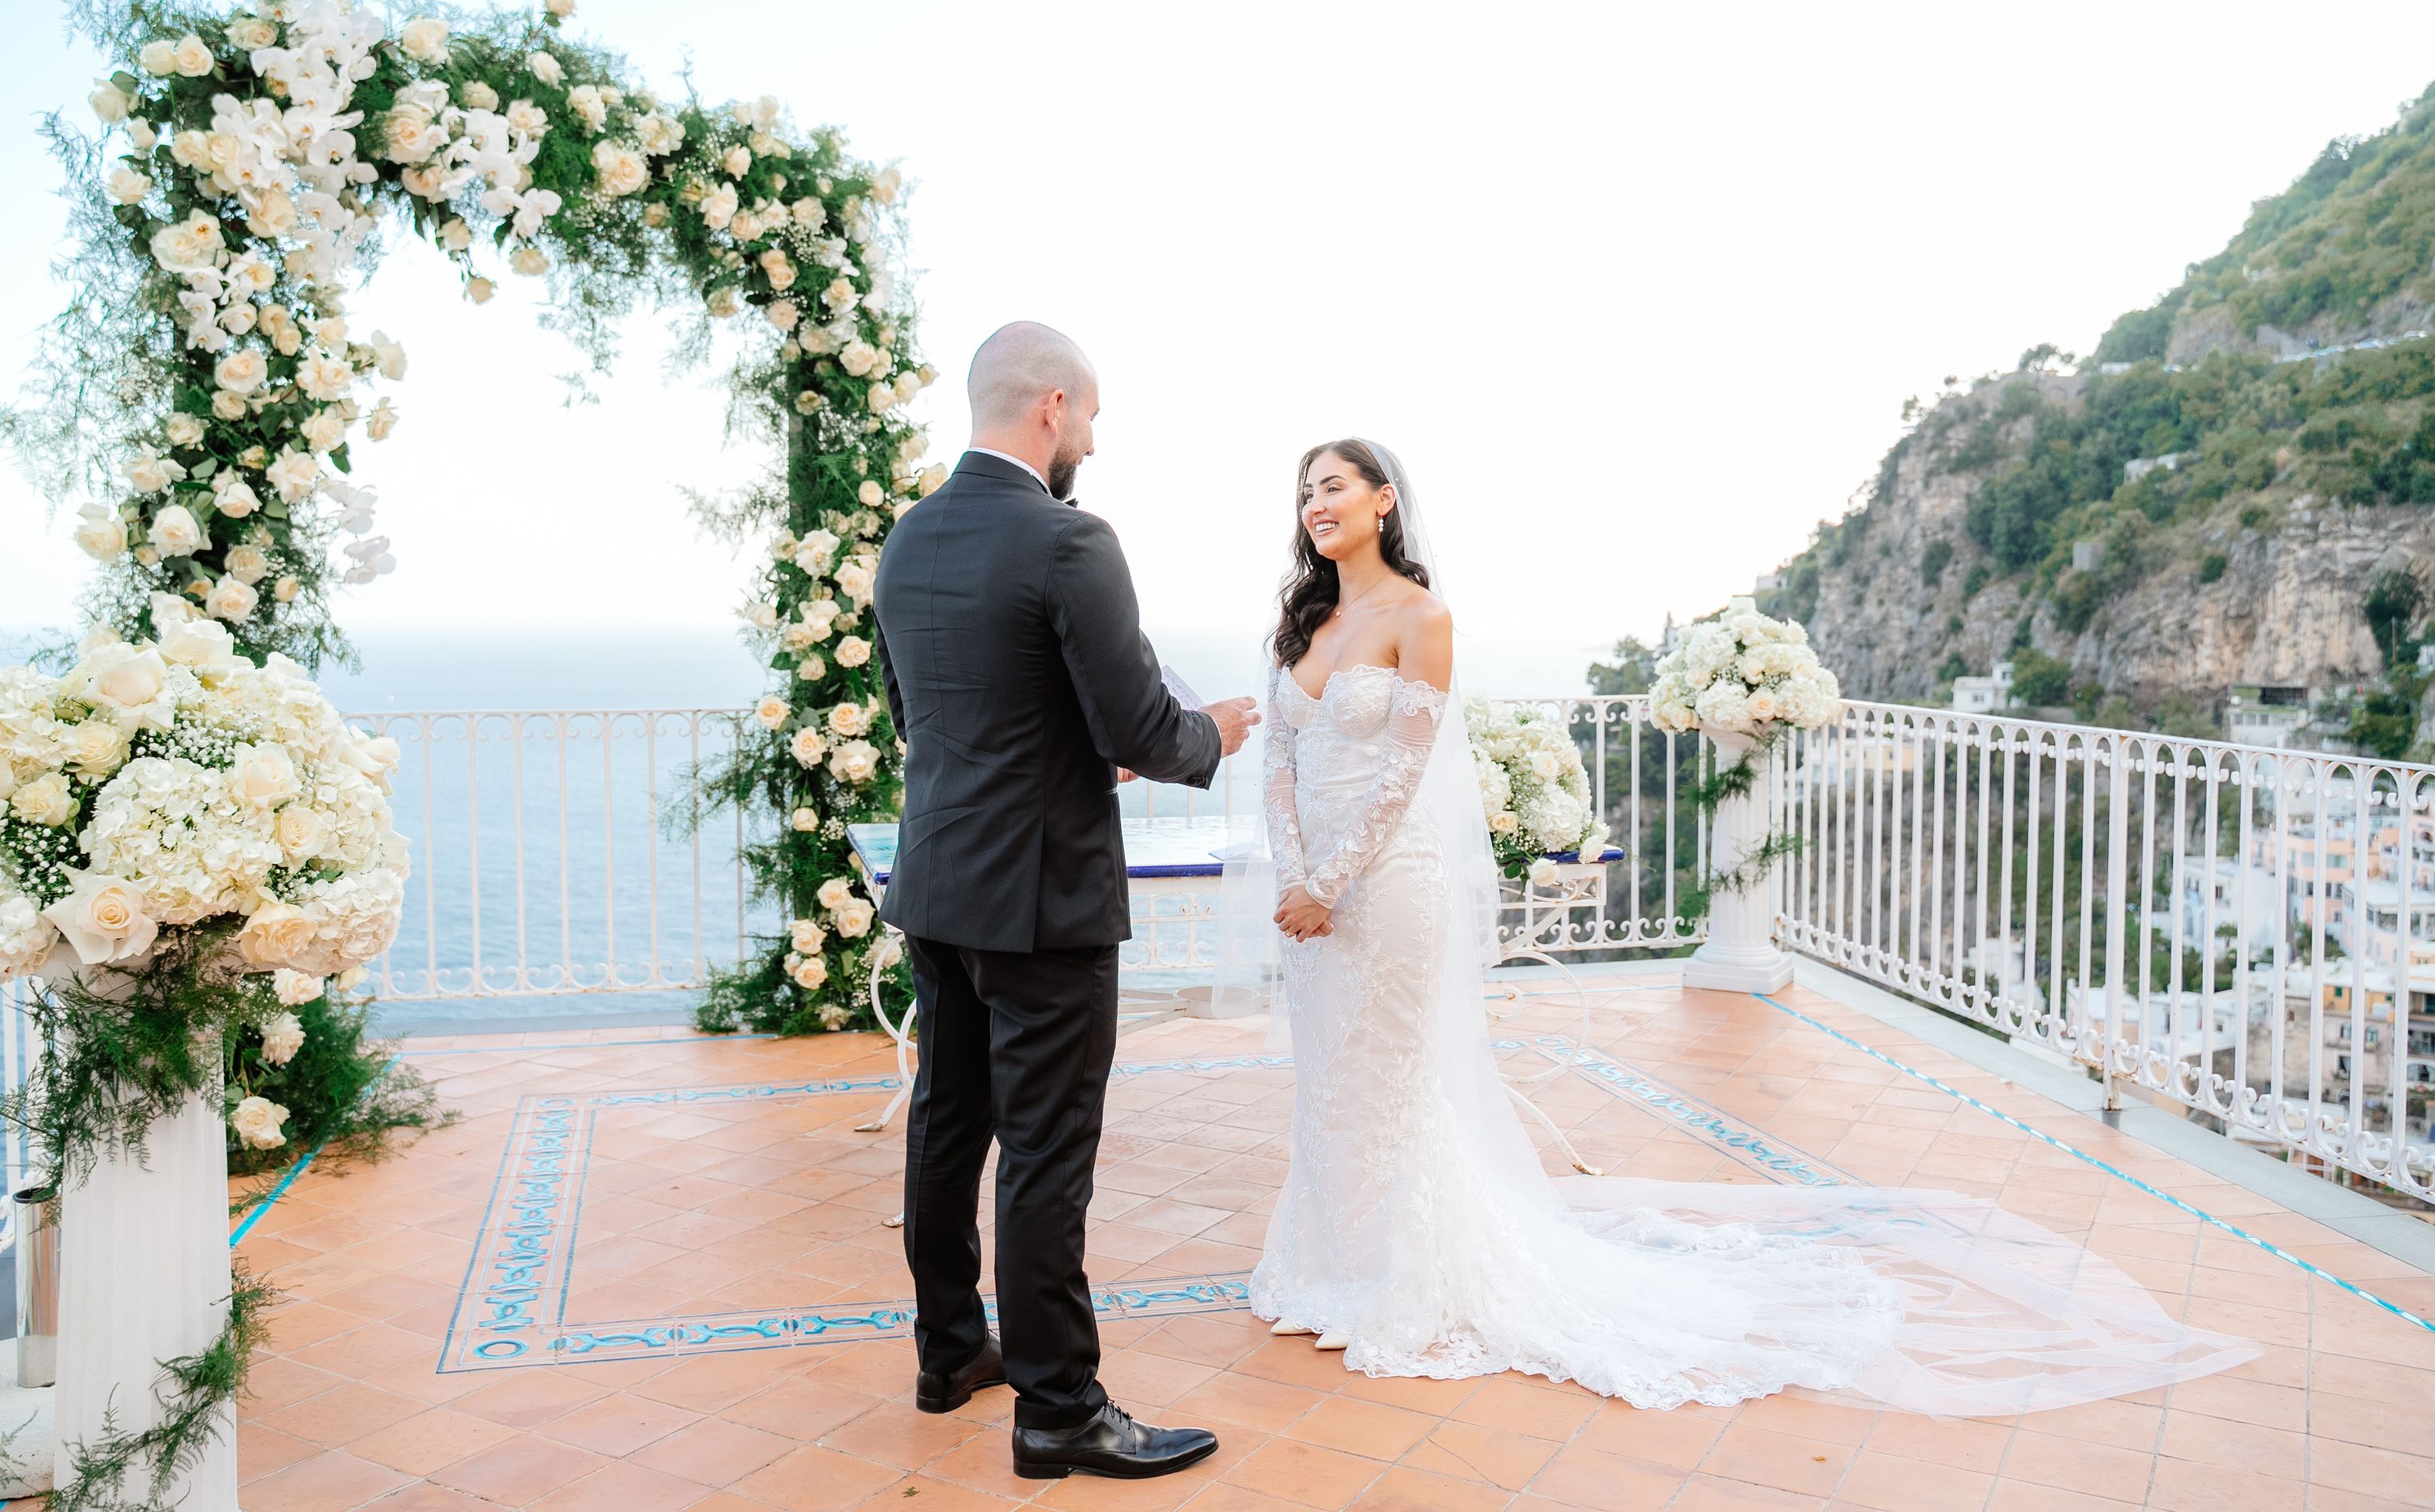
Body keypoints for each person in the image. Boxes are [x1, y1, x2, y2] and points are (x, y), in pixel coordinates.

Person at [1240, 437, 2258, 1414]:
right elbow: (1280, 760)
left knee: (1392, 1070)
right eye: (1303, 493)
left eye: (1334, 485)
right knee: (1330, 1070)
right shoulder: (1307, 624)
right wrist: (1295, 873)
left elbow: (1406, 771)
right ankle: (1329, 1263)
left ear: (1382, 499)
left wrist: (1330, 876)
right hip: (1312, 893)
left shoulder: (1423, 616)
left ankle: (1404, 1280)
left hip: (1389, 882)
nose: (1316, 505)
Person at [872, 321, 1257, 1480]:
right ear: (1051, 406)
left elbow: (921, 715)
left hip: (937, 881)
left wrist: (1092, 742)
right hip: (1042, 900)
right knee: (1046, 1152)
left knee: (949, 1120)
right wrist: (1212, 736)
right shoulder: (1071, 539)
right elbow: (1144, 727)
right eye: (1088, 416)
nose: (1089, 438)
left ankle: (950, 1352)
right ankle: (1059, 1410)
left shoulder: (906, 539)